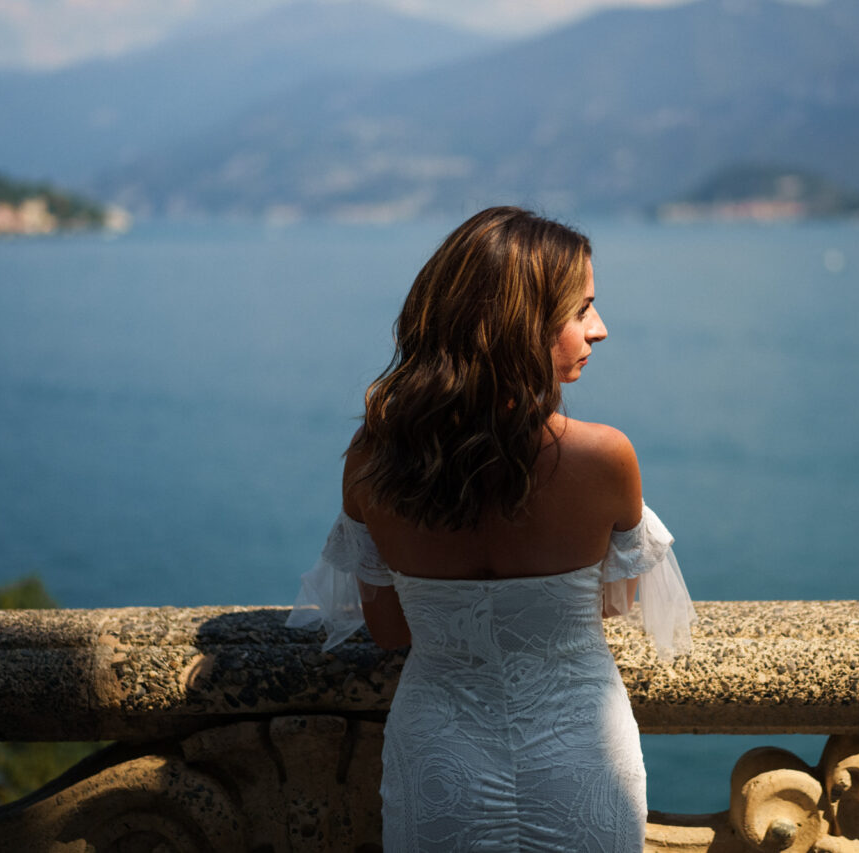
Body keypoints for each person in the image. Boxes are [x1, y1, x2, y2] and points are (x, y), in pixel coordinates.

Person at [288, 206, 695, 852]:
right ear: (521, 326)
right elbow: (614, 605)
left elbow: (390, 632)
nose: (601, 329)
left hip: (439, 756)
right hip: (581, 757)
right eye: (581, 309)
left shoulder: (373, 461)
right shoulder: (606, 458)